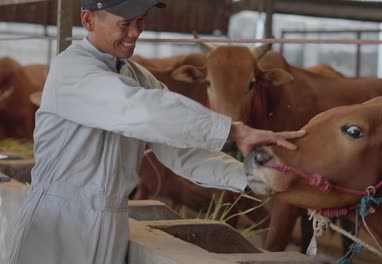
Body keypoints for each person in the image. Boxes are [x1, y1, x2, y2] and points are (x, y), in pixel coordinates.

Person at [8, 0, 306, 263]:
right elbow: (144, 111)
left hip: (112, 223)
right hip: (58, 223)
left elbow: (182, 151)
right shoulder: (69, 69)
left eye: (141, 21)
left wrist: (252, 177)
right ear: (88, 20)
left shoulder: (138, 76)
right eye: (125, 23)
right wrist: (234, 130)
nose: (136, 32)